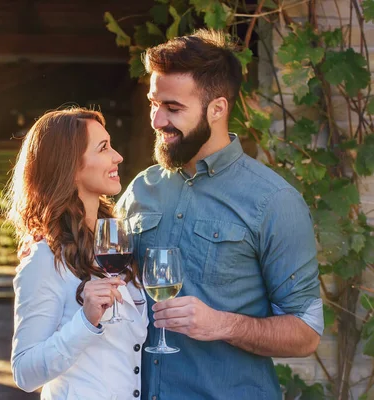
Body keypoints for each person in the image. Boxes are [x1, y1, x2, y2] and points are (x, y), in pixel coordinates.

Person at [116, 29, 323, 399]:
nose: (157, 120)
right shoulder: (140, 189)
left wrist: (222, 324)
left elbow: (305, 333)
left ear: (217, 108)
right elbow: (100, 270)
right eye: (153, 103)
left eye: (173, 108)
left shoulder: (274, 201)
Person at [5, 107, 149, 399]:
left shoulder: (114, 243)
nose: (117, 156)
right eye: (104, 148)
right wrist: (85, 321)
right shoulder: (44, 257)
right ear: (69, 166)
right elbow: (25, 373)